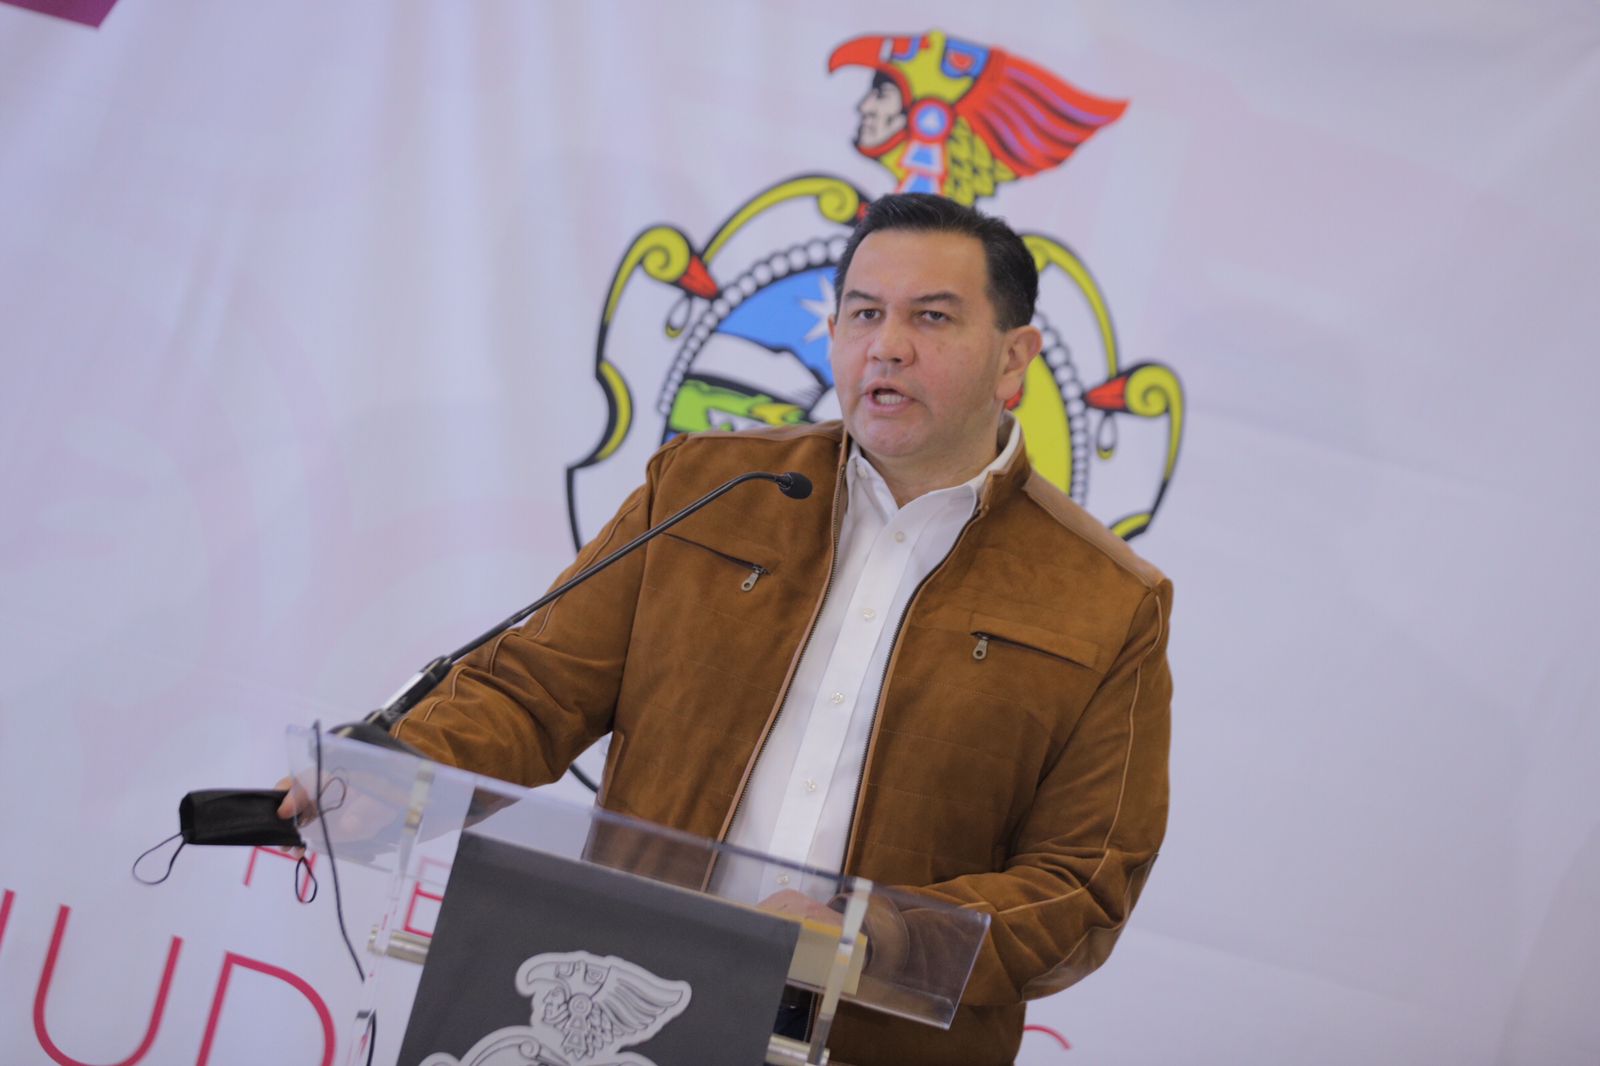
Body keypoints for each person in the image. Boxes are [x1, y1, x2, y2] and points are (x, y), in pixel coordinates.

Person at [288, 193, 1173, 1065]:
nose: (887, 345)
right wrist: (397, 775)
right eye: (864, 313)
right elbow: (534, 690)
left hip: (869, 1043)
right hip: (623, 1017)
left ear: (1014, 360)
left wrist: (876, 937)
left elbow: (1081, 885)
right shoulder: (711, 488)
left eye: (931, 318)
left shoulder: (1106, 599)